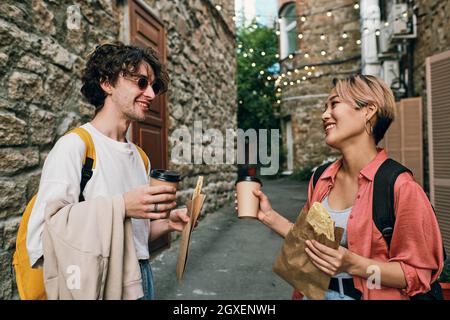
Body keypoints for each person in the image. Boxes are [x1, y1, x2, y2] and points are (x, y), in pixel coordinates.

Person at [244, 74, 444, 300]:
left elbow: (417, 275)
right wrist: (269, 217)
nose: (324, 115)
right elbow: (311, 242)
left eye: (334, 104)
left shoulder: (400, 186)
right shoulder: (320, 178)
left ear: (368, 111)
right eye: (325, 107)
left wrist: (354, 264)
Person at [26, 42, 189, 300]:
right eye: (141, 82)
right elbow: (42, 236)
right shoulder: (75, 146)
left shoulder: (141, 158)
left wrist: (168, 224)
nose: (151, 95)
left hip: (141, 278)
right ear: (107, 83)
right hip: (97, 284)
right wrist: (121, 206)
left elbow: (135, 242)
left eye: (154, 86)